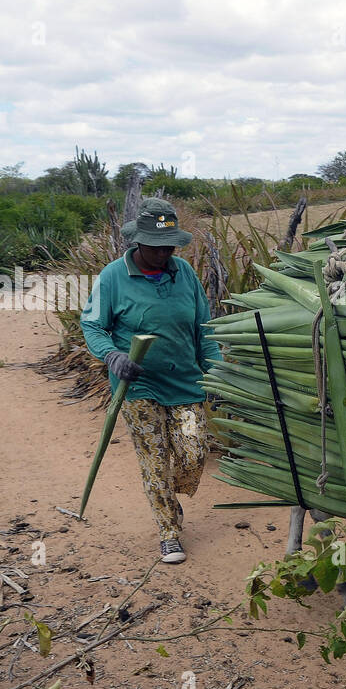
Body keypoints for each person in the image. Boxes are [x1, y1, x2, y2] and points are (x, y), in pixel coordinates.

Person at [80, 197, 220, 563]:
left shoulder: (184, 273)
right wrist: (113, 355)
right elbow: (92, 324)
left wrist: (218, 372)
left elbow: (203, 329)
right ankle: (168, 530)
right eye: (155, 246)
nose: (163, 253)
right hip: (139, 386)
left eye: (169, 245)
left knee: (192, 454)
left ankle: (167, 499)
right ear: (137, 242)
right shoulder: (113, 277)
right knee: (154, 462)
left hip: (186, 383)